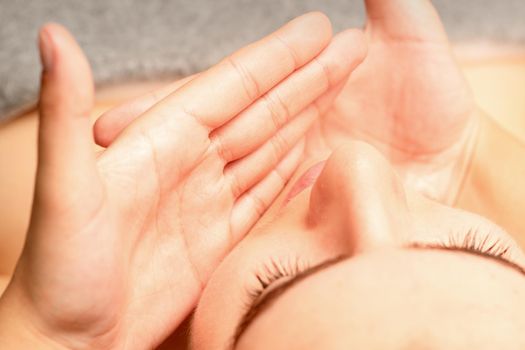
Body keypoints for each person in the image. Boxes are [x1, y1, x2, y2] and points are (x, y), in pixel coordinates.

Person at [0, 1, 524, 350]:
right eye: (474, 245)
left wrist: (48, 336)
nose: (357, 166)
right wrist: (472, 158)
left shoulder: (46, 287)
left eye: (277, 282)